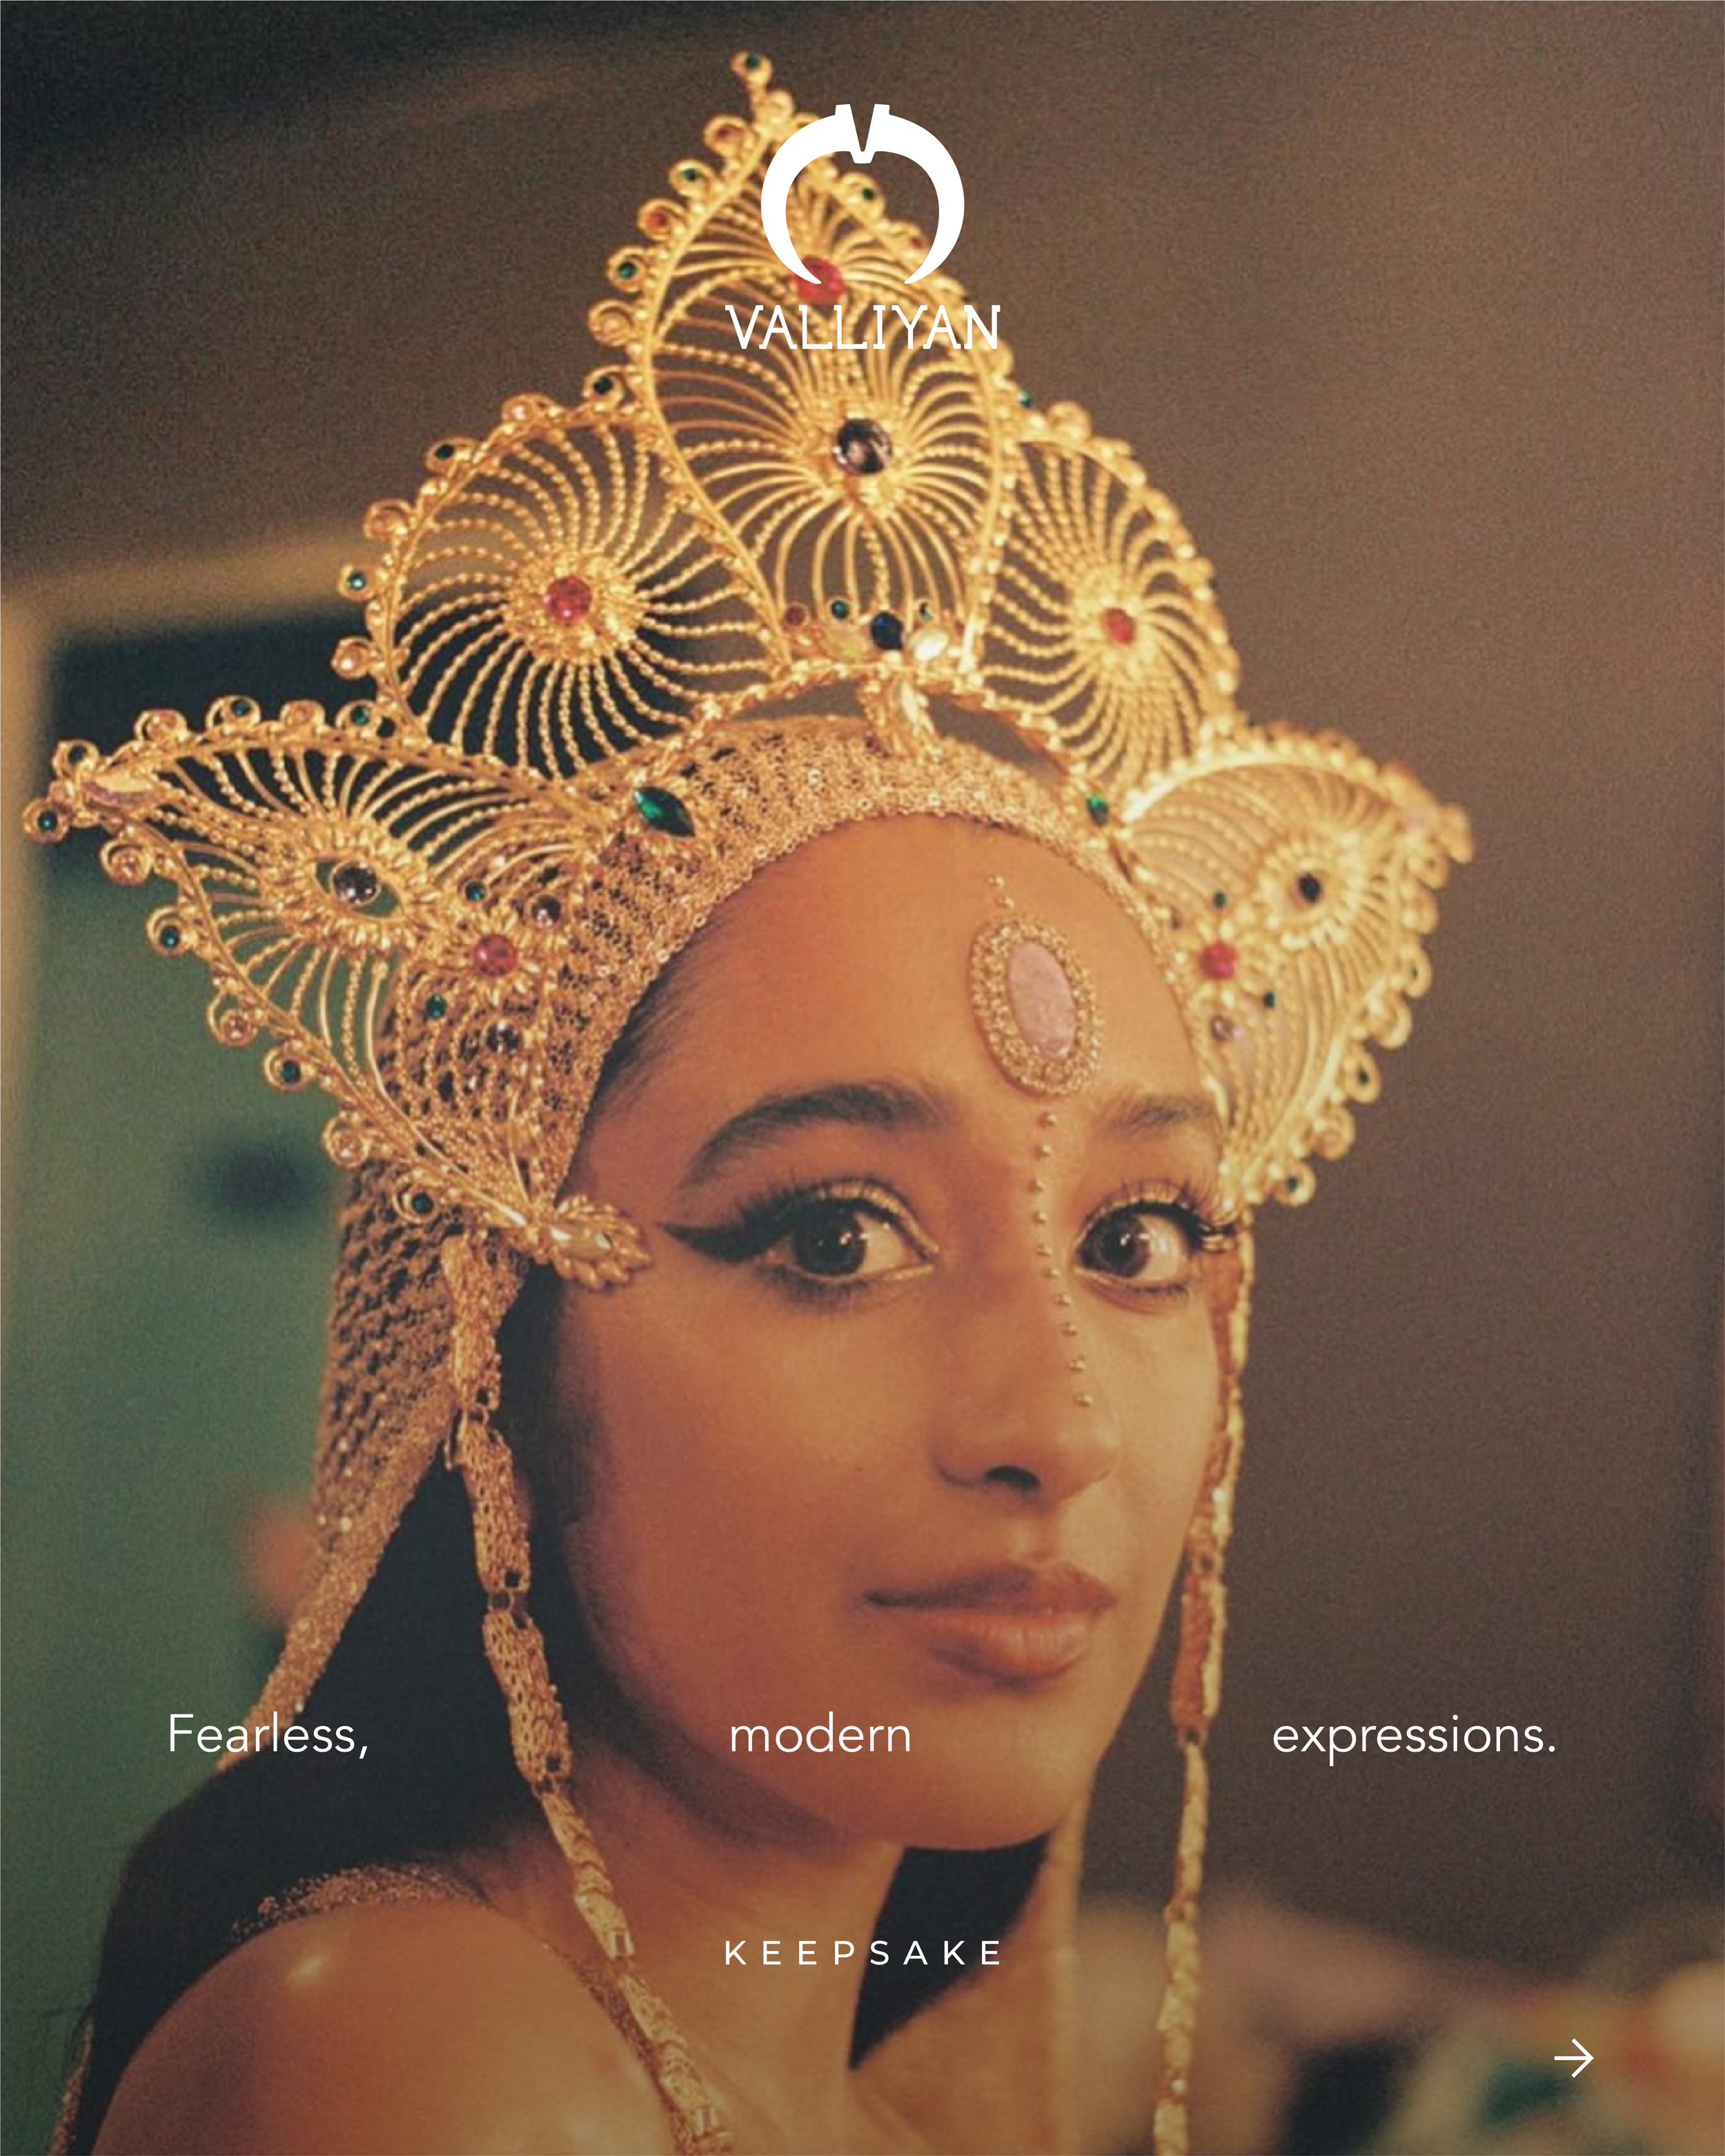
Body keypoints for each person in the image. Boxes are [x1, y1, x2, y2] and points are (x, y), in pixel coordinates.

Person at [24, 50, 1470, 2156]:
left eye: (1137, 1237)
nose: (1053, 1423)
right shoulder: (422, 2067)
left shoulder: (836, 2097)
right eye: (829, 1231)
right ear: (496, 1340)